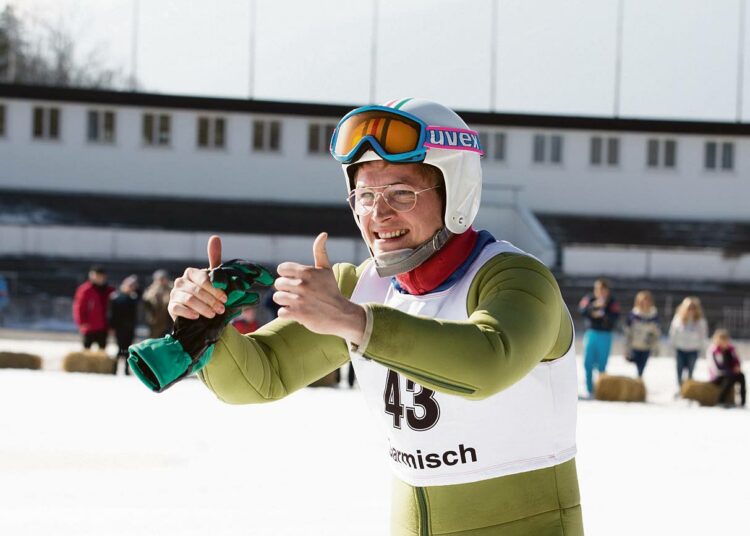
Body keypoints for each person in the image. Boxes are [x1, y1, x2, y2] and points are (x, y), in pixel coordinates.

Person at [166, 99, 582, 534]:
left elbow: (489, 361)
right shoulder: (361, 288)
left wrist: (355, 322)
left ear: (455, 192)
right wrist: (205, 326)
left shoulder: (516, 279)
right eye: (364, 195)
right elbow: (259, 377)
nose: (377, 214)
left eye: (401, 193)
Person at [578, 278, 620, 396]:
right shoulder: (589, 298)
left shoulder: (612, 301)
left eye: (603, 289)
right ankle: (589, 388)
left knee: (602, 364)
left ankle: (601, 388)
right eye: (598, 289)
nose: (600, 292)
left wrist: (605, 315)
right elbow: (581, 309)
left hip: (605, 334)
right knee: (588, 362)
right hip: (592, 332)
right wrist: (593, 308)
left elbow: (615, 316)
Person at [72, 265, 114, 350]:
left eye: (100, 276)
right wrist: (81, 322)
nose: (98, 278)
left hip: (103, 326)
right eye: (96, 275)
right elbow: (79, 307)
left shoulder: (109, 290)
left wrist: (112, 325)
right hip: (89, 326)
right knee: (86, 350)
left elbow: (113, 309)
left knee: (102, 350)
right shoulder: (85, 290)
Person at [669, 296, 708, 387]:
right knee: (679, 370)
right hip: (680, 349)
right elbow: (673, 334)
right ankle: (680, 388)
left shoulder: (700, 322)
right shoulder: (678, 319)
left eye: (693, 308)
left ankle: (688, 389)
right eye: (689, 308)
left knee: (690, 371)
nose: (691, 310)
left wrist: (703, 350)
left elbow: (703, 337)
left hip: (693, 350)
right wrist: (672, 347)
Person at [623, 290, 660, 378]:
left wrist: (654, 346)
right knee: (633, 367)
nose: (645, 303)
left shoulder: (653, 316)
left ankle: (638, 383)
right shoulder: (633, 315)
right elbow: (627, 331)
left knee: (641, 368)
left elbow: (656, 333)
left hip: (646, 346)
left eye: (647, 300)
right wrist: (626, 347)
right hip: (634, 345)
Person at [109, 275, 140, 374]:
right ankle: (114, 368)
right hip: (119, 328)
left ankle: (126, 369)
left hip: (130, 328)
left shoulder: (133, 297)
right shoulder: (116, 297)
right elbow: (112, 314)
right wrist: (112, 327)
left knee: (128, 350)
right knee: (120, 349)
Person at [706, 329, 746, 407]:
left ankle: (742, 401)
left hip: (730, 374)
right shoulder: (714, 351)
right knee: (730, 378)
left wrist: (737, 368)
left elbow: (737, 360)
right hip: (718, 376)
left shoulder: (731, 350)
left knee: (741, 376)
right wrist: (731, 371)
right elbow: (716, 368)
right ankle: (720, 400)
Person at [143, 269, 173, 338]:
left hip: (168, 321)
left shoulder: (171, 288)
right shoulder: (151, 289)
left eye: (163, 279)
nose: (161, 281)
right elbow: (146, 301)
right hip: (155, 322)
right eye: (159, 279)